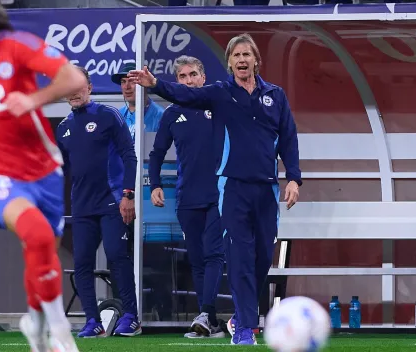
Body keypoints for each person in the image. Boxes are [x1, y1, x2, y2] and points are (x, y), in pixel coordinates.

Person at [128, 33, 301, 345]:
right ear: (230, 63)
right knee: (239, 256)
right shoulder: (220, 94)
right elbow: (186, 95)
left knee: (262, 258)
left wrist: (294, 178)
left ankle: (238, 317)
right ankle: (245, 327)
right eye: (236, 56)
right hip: (231, 188)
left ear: (256, 61)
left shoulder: (275, 95)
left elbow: (288, 137)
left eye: (247, 55)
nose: (242, 60)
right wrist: (155, 84)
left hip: (266, 190)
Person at [0, 0, 88, 351]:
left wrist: (34, 99)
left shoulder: (15, 46)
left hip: (45, 171)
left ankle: (35, 322)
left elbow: (73, 78)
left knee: (42, 252)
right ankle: (61, 334)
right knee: (37, 234)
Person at [56, 66, 142, 338]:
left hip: (112, 203)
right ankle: (93, 321)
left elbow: (130, 156)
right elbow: (64, 169)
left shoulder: (109, 115)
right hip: (81, 207)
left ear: (89, 88)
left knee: (117, 255)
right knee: (82, 262)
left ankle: (131, 316)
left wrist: (128, 195)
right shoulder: (63, 128)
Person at [148, 55, 224, 339]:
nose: (189, 80)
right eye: (183, 76)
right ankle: (209, 319)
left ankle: (207, 313)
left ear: (203, 77)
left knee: (214, 253)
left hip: (219, 194)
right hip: (187, 197)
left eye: (193, 74)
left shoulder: (217, 105)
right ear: (177, 81)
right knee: (198, 259)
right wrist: (155, 184)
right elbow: (156, 154)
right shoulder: (171, 114)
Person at [111, 62, 164, 141]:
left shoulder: (160, 116)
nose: (127, 87)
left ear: (144, 84)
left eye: (132, 81)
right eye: (123, 81)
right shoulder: (118, 115)